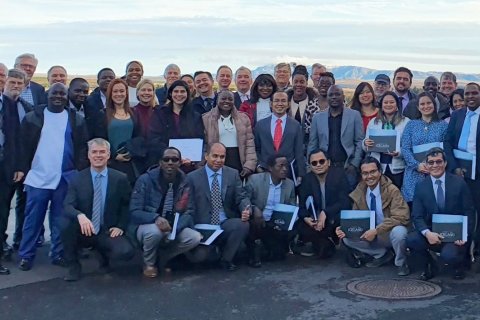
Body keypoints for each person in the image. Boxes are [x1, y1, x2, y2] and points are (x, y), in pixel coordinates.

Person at [18, 83, 89, 271]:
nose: (58, 96)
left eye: (62, 94)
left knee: (60, 219)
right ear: (48, 95)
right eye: (54, 93)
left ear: (67, 97)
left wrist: (78, 170)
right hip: (38, 177)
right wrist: (24, 169)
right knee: (32, 219)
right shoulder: (33, 117)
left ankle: (57, 253)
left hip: (65, 178)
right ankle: (26, 255)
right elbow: (22, 147)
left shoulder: (76, 119)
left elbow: (83, 147)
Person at [62, 138, 135, 281]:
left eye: (102, 152)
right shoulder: (77, 179)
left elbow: (127, 205)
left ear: (108, 155)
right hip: (84, 228)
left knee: (126, 252)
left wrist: (120, 226)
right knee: (65, 225)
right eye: (94, 152)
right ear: (88, 155)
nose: (98, 155)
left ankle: (104, 257)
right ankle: (73, 266)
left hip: (107, 229)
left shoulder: (120, 178)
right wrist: (80, 216)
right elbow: (67, 205)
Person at [130, 147, 201, 278]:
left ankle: (164, 258)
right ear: (160, 162)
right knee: (155, 232)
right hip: (147, 224)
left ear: (180, 163)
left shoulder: (186, 181)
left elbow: (189, 212)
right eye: (166, 159)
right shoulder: (145, 180)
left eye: (174, 160)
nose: (170, 163)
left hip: (172, 225)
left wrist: (174, 230)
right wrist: (156, 218)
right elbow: (134, 211)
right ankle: (149, 263)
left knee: (194, 237)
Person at [407, 148, 475, 280]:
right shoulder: (421, 186)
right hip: (432, 232)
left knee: (449, 255)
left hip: (455, 234)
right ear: (426, 165)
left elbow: (469, 211)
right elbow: (417, 216)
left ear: (445, 163)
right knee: (411, 239)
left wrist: (464, 235)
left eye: (438, 161)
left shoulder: (459, 183)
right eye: (431, 162)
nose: (435, 165)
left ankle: (458, 264)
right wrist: (427, 233)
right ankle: (429, 264)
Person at [336, 157, 410, 276]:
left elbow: (401, 217)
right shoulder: (359, 191)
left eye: (373, 172)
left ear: (380, 172)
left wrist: (376, 230)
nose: (369, 176)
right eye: (365, 173)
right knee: (346, 238)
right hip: (369, 233)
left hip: (388, 232)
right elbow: (355, 219)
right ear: (361, 175)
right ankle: (382, 254)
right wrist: (344, 228)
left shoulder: (392, 190)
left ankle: (401, 262)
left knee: (399, 232)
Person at [186, 143, 251, 271]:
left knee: (242, 224)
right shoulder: (192, 177)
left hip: (224, 222)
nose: (218, 160)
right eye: (214, 156)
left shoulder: (232, 174)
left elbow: (241, 197)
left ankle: (226, 259)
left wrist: (246, 208)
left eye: (222, 157)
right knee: (200, 258)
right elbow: (189, 206)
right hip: (203, 225)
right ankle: (212, 251)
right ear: (206, 156)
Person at [0, 69, 32, 265]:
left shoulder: (25, 107)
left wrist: (21, 167)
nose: (16, 86)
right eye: (12, 82)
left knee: (18, 207)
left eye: (20, 83)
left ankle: (17, 243)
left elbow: (24, 141)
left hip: (18, 166)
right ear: (5, 82)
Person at [308, 85, 364, 190]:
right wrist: (311, 166)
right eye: (331, 95)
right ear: (327, 97)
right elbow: (313, 143)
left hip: (347, 167)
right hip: (325, 168)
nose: (334, 97)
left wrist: (354, 164)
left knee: (348, 201)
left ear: (343, 97)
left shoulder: (354, 115)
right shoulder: (317, 118)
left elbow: (359, 141)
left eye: (337, 94)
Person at [298, 149, 351, 258]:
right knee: (299, 224)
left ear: (328, 162)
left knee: (343, 217)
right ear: (310, 166)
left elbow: (345, 202)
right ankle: (323, 243)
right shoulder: (307, 180)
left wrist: (326, 212)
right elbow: (302, 206)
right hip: (315, 221)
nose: (318, 165)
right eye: (314, 163)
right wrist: (306, 218)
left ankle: (330, 241)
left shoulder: (339, 175)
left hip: (333, 218)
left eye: (321, 161)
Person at [245, 154, 296, 267]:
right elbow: (244, 199)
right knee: (252, 224)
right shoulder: (255, 180)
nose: (284, 169)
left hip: (276, 224)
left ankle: (268, 249)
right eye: (280, 166)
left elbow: (291, 206)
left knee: (278, 255)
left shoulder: (290, 184)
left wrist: (285, 220)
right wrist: (254, 208)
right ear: (270, 168)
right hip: (258, 220)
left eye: (286, 166)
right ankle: (253, 251)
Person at [444, 82, 480, 242]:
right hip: (457, 172)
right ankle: (459, 245)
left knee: (476, 211)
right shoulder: (458, 115)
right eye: (467, 94)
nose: (470, 97)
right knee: (459, 209)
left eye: (474, 93)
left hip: (477, 174)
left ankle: (476, 247)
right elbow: (447, 141)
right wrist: (454, 167)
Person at [400, 92, 448, 205]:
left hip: (436, 173)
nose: (426, 106)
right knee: (415, 211)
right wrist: (417, 165)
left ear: (434, 105)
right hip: (414, 174)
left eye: (429, 103)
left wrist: (434, 166)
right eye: (422, 104)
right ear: (418, 107)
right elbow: (405, 148)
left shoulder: (443, 125)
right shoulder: (411, 125)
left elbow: (446, 149)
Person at [148, 80, 204, 172]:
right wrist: (172, 156)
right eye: (176, 91)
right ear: (170, 93)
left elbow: (199, 138)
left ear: (187, 94)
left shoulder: (195, 116)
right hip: (165, 164)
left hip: (188, 165)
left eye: (182, 91)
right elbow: (154, 138)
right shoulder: (160, 113)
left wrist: (193, 159)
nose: (179, 94)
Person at [202, 90, 256, 178]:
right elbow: (204, 145)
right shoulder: (206, 118)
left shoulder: (244, 118)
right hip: (217, 160)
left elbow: (250, 144)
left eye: (230, 99)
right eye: (223, 98)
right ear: (217, 100)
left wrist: (249, 165)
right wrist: (202, 164)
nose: (226, 101)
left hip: (238, 160)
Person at [255, 91, 306, 184]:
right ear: (271, 104)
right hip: (265, 171)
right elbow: (257, 148)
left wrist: (301, 174)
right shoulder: (260, 125)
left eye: (283, 101)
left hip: (288, 172)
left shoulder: (296, 125)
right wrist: (259, 166)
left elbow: (299, 151)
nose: (280, 104)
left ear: (288, 104)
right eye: (276, 101)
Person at [363, 91, 410, 189]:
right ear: (382, 105)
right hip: (377, 169)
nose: (388, 105)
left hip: (398, 169)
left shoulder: (406, 122)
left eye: (392, 102)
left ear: (397, 105)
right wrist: (365, 143)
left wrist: (398, 153)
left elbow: (409, 147)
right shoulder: (374, 122)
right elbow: (365, 147)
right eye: (386, 102)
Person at [103, 79, 144, 184]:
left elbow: (138, 136)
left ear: (126, 93)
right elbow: (100, 138)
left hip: (131, 163)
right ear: (110, 94)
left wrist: (131, 152)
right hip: (110, 163)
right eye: (115, 91)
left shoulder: (134, 113)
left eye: (122, 91)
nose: (119, 94)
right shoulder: (102, 114)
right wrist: (114, 155)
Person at [287, 65, 320, 144]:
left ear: (307, 83)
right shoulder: (284, 102)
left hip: (309, 145)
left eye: (302, 82)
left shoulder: (315, 103)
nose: (298, 85)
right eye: (296, 82)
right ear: (292, 82)